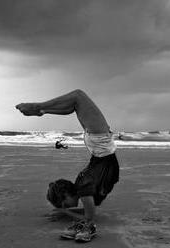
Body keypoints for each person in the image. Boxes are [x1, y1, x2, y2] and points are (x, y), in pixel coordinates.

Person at [15, 89, 119, 242]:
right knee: (76, 101)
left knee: (77, 97)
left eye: (63, 203)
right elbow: (88, 211)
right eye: (64, 205)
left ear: (66, 196)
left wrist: (68, 213)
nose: (66, 205)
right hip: (101, 146)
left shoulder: (83, 187)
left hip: (100, 144)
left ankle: (40, 108)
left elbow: (88, 216)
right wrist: (64, 211)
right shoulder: (84, 190)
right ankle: (41, 109)